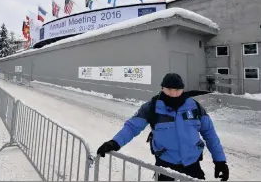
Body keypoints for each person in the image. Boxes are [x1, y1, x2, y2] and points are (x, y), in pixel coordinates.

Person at [97, 73, 229, 181]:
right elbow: (132, 127)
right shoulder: (152, 107)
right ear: (162, 89)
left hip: (192, 162)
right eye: (169, 89)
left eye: (177, 90)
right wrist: (114, 143)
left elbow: (210, 133)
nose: (173, 93)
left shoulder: (194, 107)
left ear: (182, 89)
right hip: (166, 164)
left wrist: (220, 161)